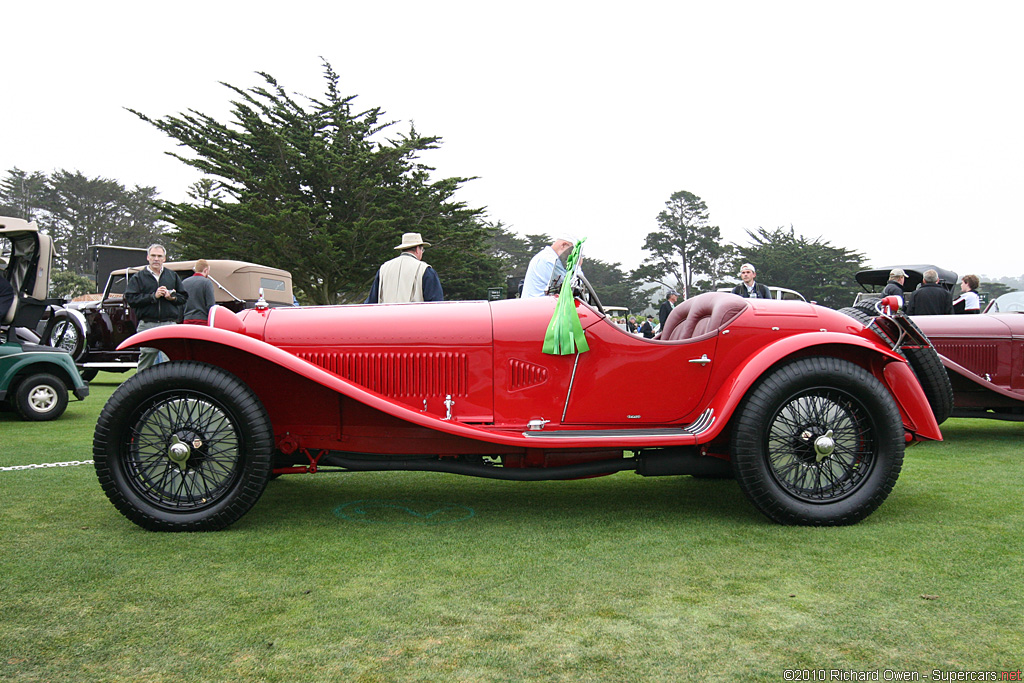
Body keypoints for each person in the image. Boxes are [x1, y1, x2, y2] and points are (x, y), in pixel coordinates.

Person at [123, 244, 187, 371]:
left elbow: (183, 297)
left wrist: (171, 297)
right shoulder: (138, 277)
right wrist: (153, 296)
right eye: (153, 256)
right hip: (147, 324)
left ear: (164, 258)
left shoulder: (172, 276)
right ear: (148, 257)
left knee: (171, 359)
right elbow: (131, 299)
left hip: (169, 324)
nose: (156, 259)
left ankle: (171, 388)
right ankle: (140, 388)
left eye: (159, 256)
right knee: (146, 358)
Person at [365, 232, 443, 303]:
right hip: (415, 317)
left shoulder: (383, 268)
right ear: (417, 250)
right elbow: (436, 304)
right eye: (422, 250)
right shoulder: (424, 269)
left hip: (386, 317)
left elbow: (371, 301)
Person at [522, 233, 577, 298]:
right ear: (563, 245)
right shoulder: (549, 260)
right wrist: (577, 265)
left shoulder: (546, 257)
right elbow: (568, 286)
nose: (570, 256)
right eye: (570, 252)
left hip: (538, 304)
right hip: (539, 305)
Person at [181, 259, 217, 324]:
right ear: (205, 270)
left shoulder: (184, 282)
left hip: (187, 319)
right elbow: (210, 304)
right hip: (202, 320)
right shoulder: (207, 283)